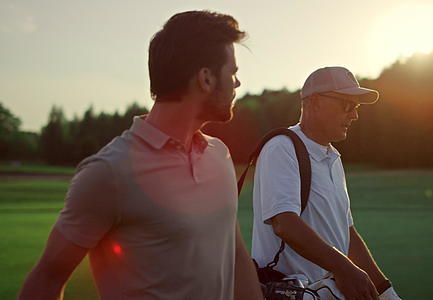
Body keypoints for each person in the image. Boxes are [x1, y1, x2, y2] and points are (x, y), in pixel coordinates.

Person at [19, 10, 262, 300]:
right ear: (206, 79)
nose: (237, 83)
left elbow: (234, 253)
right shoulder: (109, 172)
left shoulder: (219, 156)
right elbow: (48, 277)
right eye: (232, 72)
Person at [251, 66, 402, 300]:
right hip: (289, 292)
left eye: (356, 107)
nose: (354, 115)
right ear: (314, 101)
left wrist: (386, 292)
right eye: (347, 105)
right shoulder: (282, 147)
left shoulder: (333, 158)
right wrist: (346, 269)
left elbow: (346, 233)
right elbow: (284, 223)